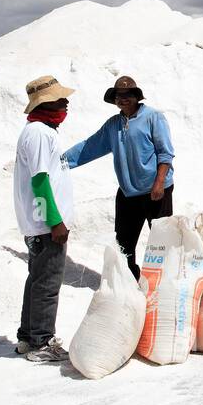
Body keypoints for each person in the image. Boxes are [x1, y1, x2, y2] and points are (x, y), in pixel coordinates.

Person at [63, 76, 175, 280]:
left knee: (162, 241)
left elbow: (165, 153)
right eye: (118, 96)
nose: (122, 99)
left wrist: (159, 183)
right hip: (128, 192)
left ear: (136, 97)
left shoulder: (153, 117)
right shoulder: (113, 124)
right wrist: (61, 162)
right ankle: (131, 282)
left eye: (127, 95)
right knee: (124, 243)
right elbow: (90, 146)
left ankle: (164, 284)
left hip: (156, 190)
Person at [14, 75, 77, 363]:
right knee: (48, 283)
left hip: (38, 222)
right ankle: (41, 342)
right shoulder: (40, 133)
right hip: (45, 224)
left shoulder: (39, 131)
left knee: (37, 279)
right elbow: (40, 181)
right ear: (47, 102)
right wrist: (55, 221)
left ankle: (28, 337)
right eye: (61, 99)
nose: (66, 103)